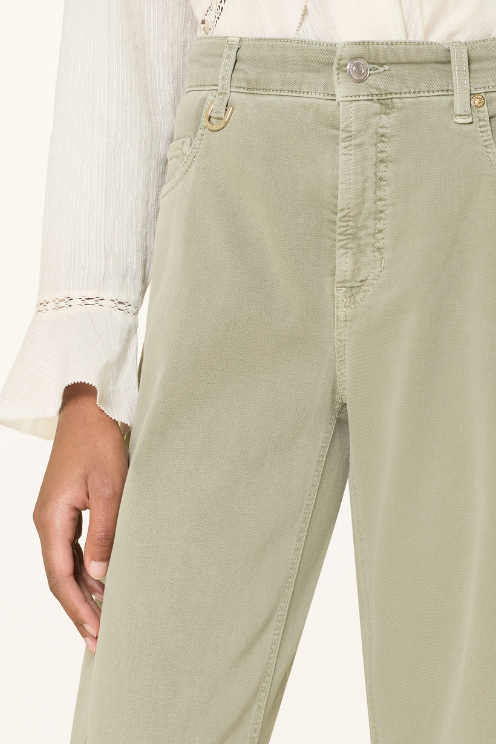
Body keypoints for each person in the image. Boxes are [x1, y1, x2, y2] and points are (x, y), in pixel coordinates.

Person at [1, 1, 496, 742]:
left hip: (468, 168)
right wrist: (87, 381)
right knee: (145, 709)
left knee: (473, 706)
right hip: (236, 176)